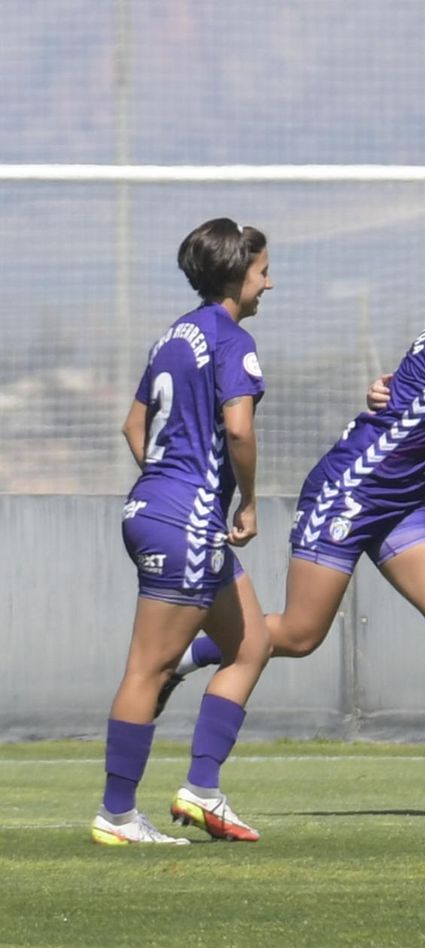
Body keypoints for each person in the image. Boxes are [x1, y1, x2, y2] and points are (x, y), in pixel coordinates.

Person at [164, 237, 425, 795]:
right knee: (299, 633)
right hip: (348, 494)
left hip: (398, 505)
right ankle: (186, 657)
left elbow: (424, 394)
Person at [96, 218, 273, 845]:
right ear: (236, 274)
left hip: (156, 508)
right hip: (189, 519)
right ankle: (117, 815)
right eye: (261, 271)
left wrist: (164, 483)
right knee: (150, 666)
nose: (268, 284)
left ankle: (201, 791)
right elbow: (240, 430)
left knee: (250, 644)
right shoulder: (232, 341)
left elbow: (131, 427)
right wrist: (245, 501)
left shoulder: (174, 336)